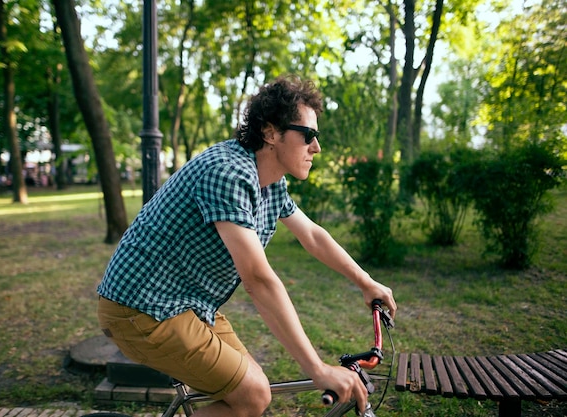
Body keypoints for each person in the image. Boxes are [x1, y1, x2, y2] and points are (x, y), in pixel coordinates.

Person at [97, 75, 397, 417]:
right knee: (253, 395)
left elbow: (312, 235)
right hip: (141, 307)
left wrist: (365, 281)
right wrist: (317, 368)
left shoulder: (270, 181)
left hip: (188, 304)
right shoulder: (228, 173)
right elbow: (257, 279)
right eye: (308, 136)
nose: (316, 147)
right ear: (270, 133)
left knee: (253, 396)